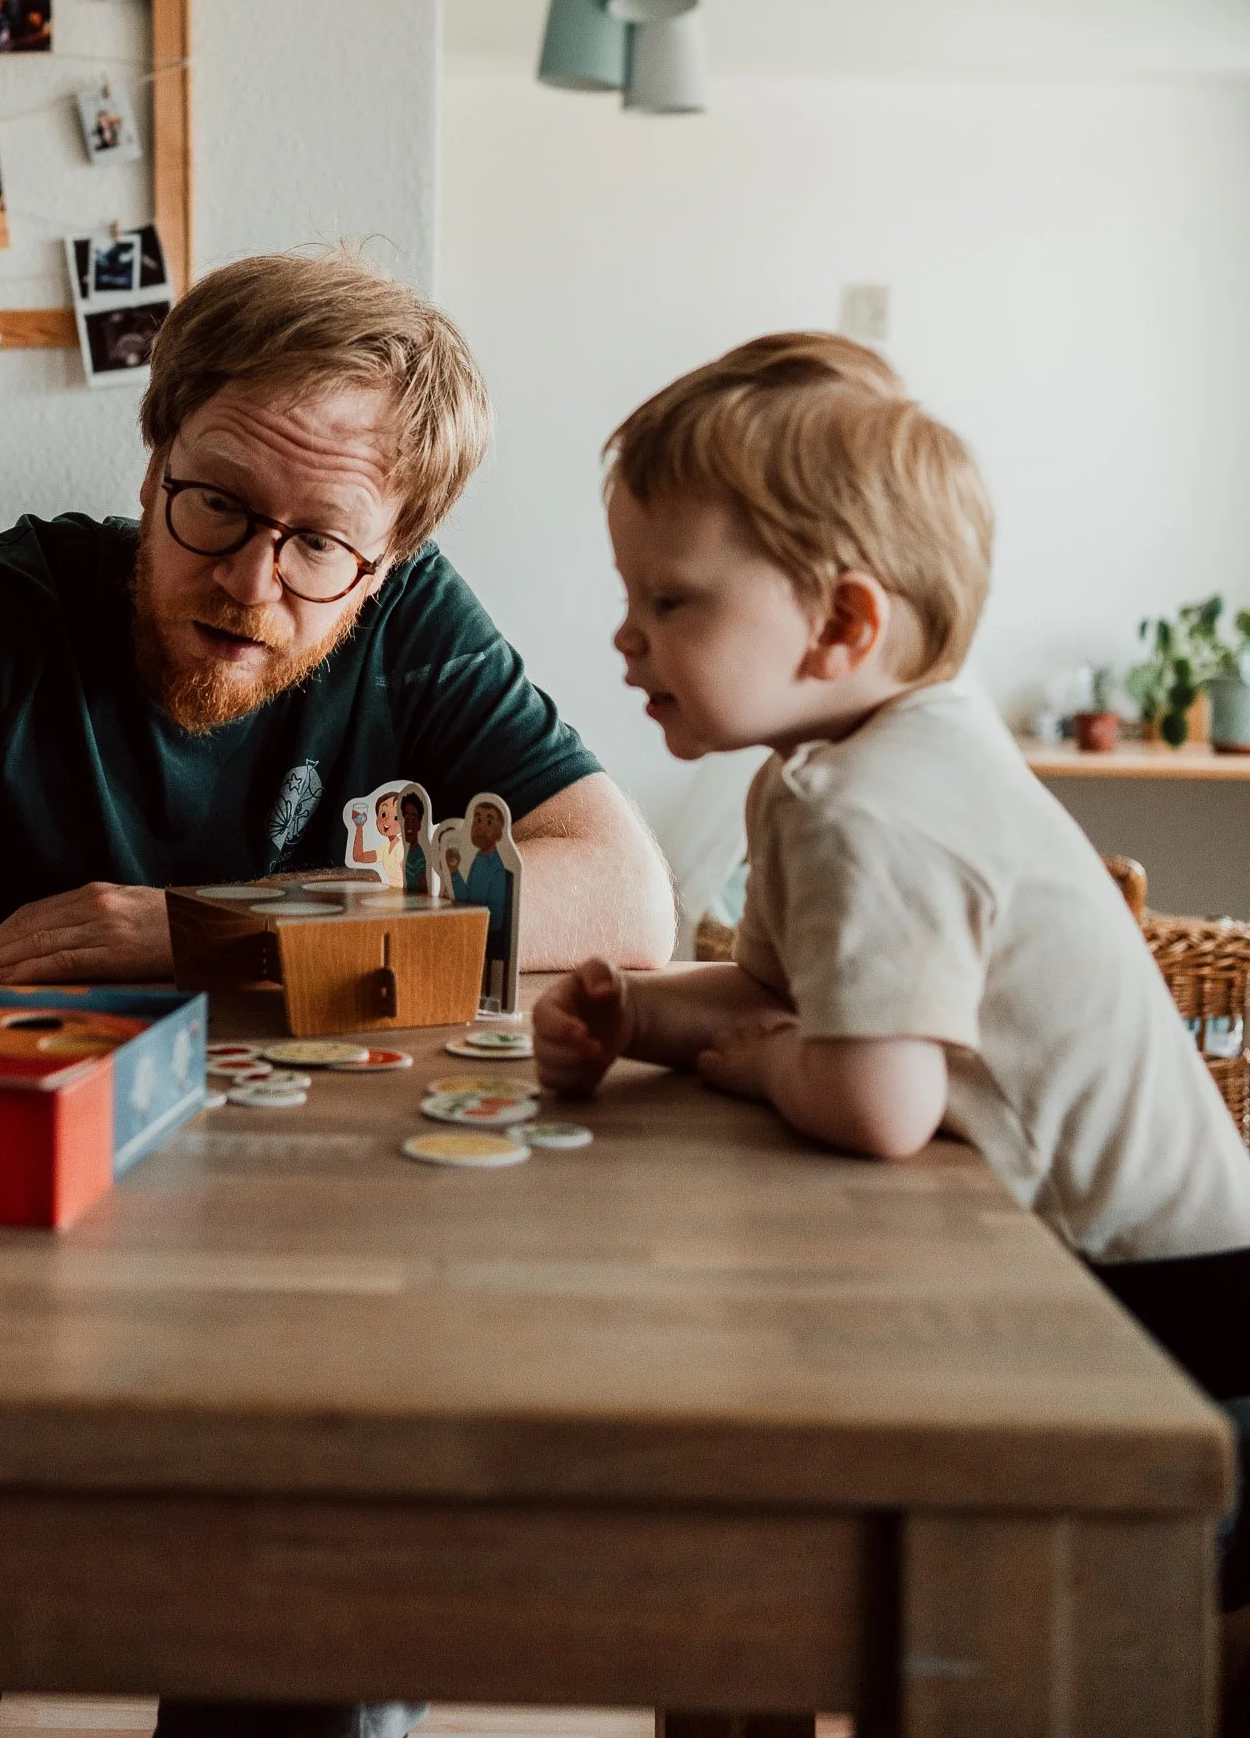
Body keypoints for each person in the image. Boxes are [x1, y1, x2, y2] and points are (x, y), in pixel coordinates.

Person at [0, 248, 674, 1738]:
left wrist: (196, 933)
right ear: (154, 453)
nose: (251, 581)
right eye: (214, 503)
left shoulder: (414, 627)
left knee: (319, 1664)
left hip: (299, 1278)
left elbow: (626, 894)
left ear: (392, 558)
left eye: (320, 544)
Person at [532, 330, 1250, 1617]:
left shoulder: (869, 806)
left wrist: (765, 1067)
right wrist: (634, 1013)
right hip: (1125, 1289)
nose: (626, 637)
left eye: (672, 601)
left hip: (1168, 1337)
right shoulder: (840, 769)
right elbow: (779, 1001)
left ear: (842, 624)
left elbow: (876, 1101)